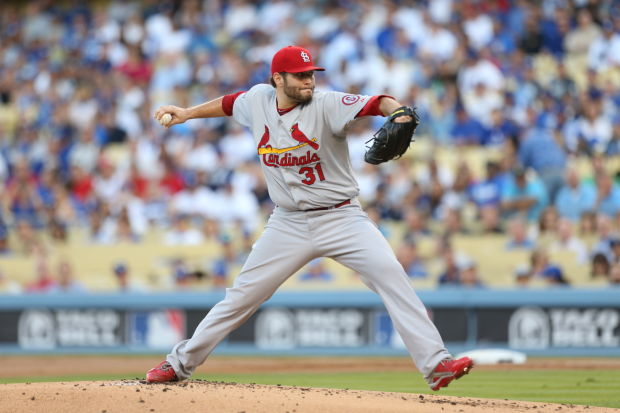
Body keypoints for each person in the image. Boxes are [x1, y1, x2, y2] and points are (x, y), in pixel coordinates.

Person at [145, 46, 473, 390]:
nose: (309, 81)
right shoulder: (258, 100)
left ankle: (437, 365)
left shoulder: (326, 104)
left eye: (311, 74)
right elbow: (230, 103)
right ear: (278, 79)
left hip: (342, 217)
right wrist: (187, 113)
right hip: (287, 223)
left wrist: (401, 113)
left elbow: (379, 102)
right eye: (300, 75)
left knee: (392, 277)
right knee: (241, 297)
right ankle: (179, 363)